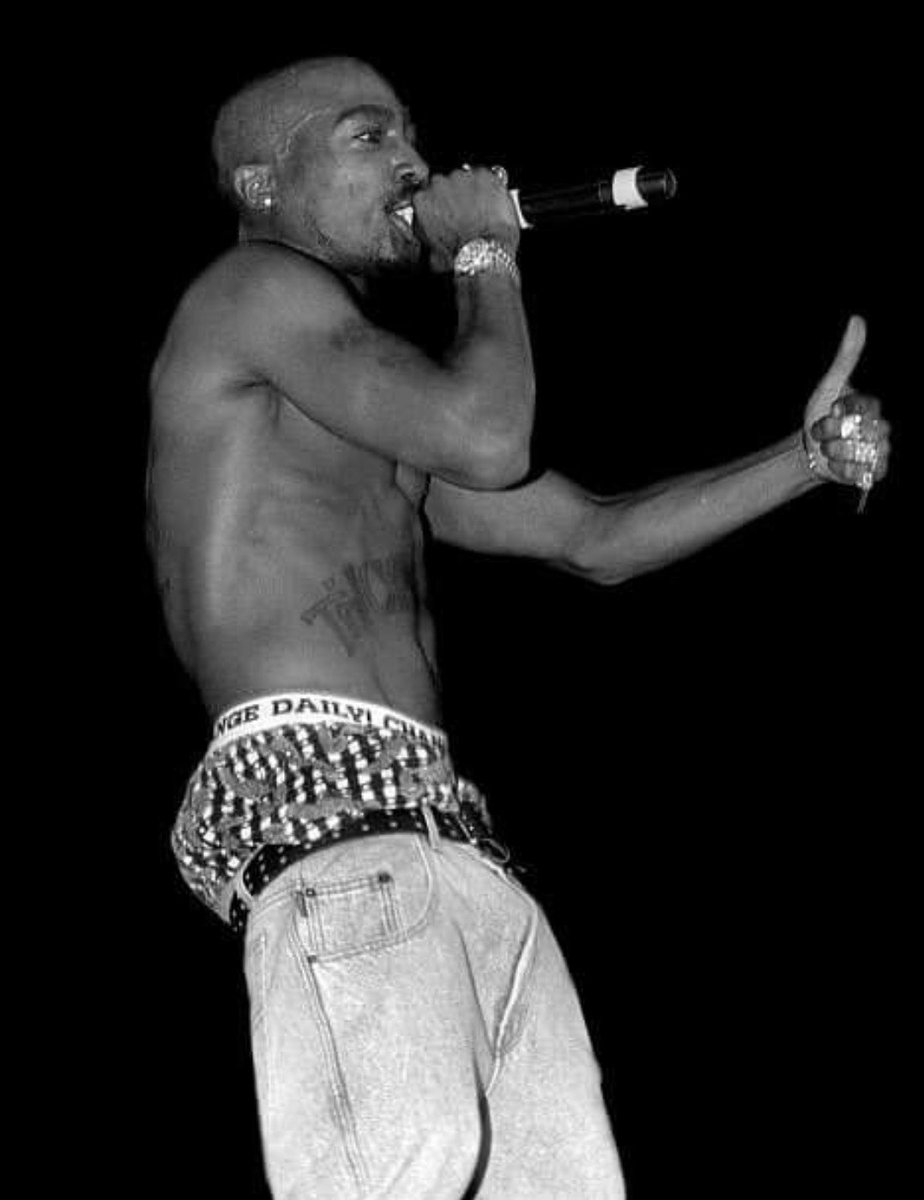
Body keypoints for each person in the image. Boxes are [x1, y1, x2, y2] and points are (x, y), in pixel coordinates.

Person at [147, 55, 891, 1199]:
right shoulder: (247, 296)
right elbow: (490, 437)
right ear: (260, 183)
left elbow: (596, 538)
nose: (414, 161)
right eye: (368, 137)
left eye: (410, 133)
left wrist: (804, 462)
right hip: (338, 848)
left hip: (451, 855)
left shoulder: (363, 400)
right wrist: (484, 255)